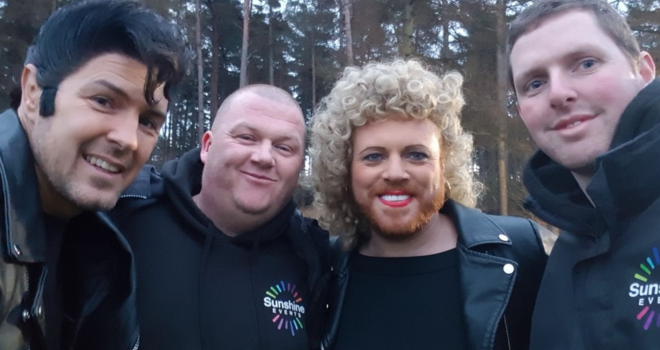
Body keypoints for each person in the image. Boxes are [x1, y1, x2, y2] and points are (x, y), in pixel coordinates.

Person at [309, 59, 548, 350]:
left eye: (416, 155)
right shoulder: (324, 270)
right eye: (373, 156)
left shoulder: (518, 252)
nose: (395, 173)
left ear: (444, 164)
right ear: (345, 170)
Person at [0, 1, 190, 349]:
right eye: (103, 101)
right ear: (33, 91)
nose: (128, 139)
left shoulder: (100, 241)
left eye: (147, 121)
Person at [111, 84, 330, 350]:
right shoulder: (123, 214)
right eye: (246, 137)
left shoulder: (312, 255)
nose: (263, 157)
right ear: (207, 146)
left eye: (284, 148)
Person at [507, 0, 659, 348]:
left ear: (645, 72)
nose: (558, 94)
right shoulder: (556, 261)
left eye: (586, 64)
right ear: (521, 111)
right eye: (534, 83)